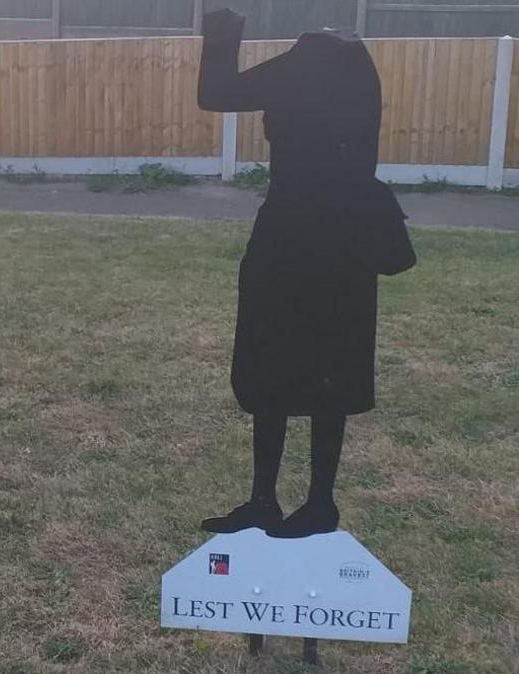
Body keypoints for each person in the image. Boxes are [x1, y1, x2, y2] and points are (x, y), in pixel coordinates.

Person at [195, 10, 416, 538]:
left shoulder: (305, 64)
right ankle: (312, 502)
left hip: (293, 233)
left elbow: (217, 93)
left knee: (276, 358)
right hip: (343, 235)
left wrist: (223, 32)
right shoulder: (359, 68)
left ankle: (273, 500)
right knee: (328, 366)